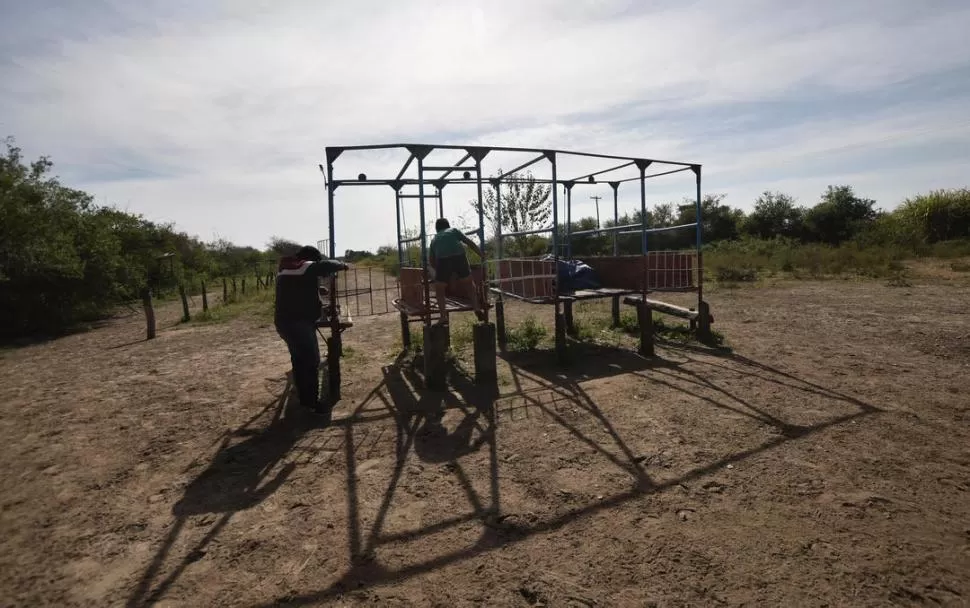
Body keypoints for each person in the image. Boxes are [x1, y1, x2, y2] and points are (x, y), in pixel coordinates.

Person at [274, 245, 348, 422]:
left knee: (299, 360)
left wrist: (317, 290)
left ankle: (305, 400)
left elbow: (296, 289)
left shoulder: (287, 268)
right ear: (310, 260)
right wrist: (342, 264)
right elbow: (327, 266)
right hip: (297, 323)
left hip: (285, 323)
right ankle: (314, 404)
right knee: (311, 361)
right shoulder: (303, 266)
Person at [428, 218, 485, 325]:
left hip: (443, 260)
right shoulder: (453, 230)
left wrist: (441, 274)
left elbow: (431, 261)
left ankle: (443, 317)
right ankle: (477, 308)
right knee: (469, 284)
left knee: (439, 289)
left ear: (437, 229)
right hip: (460, 257)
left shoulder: (434, 239)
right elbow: (469, 242)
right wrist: (481, 254)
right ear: (448, 225)